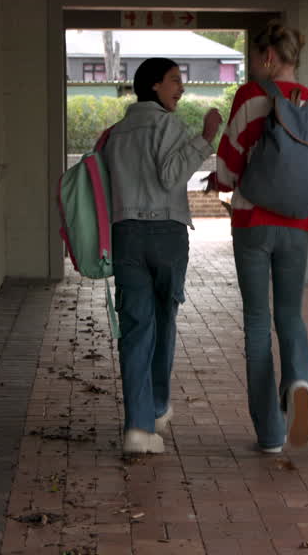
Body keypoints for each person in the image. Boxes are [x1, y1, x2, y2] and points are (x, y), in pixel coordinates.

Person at [211, 21, 308, 454]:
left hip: (252, 223)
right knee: (290, 314)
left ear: (267, 57)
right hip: (299, 225)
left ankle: (270, 432)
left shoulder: (250, 97)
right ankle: (299, 379)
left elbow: (228, 165)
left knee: (258, 322)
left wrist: (218, 182)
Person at [101, 57, 223, 455]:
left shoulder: (115, 133)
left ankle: (137, 427)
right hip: (165, 233)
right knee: (164, 321)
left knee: (136, 327)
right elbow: (172, 175)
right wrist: (206, 137)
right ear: (154, 85)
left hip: (125, 233)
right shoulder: (166, 124)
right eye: (175, 81)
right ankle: (156, 407)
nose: (181, 88)